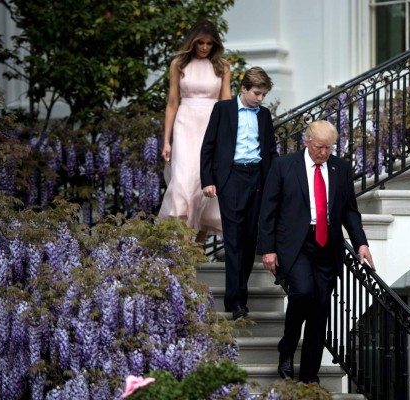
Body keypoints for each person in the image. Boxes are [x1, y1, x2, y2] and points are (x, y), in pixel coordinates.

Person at [256, 120, 375, 384]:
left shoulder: (340, 168)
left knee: (320, 308)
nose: (324, 152)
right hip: (295, 243)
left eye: (329, 148)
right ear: (307, 141)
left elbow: (349, 211)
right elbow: (269, 210)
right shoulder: (284, 165)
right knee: (302, 292)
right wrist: (268, 249)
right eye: (320, 147)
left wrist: (361, 244)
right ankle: (287, 348)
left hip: (327, 244)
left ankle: (309, 374)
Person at [200, 66, 278, 320]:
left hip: (257, 177)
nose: (260, 98)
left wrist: (276, 180)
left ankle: (237, 297)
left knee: (248, 240)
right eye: (257, 93)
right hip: (231, 177)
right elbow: (208, 146)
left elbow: (270, 150)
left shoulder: (264, 115)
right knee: (233, 240)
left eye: (264, 94)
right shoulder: (223, 109)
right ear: (243, 88)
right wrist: (208, 180)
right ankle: (236, 302)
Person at [158, 19, 231, 243]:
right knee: (182, 182)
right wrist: (166, 141)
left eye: (209, 43)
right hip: (185, 124)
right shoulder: (178, 64)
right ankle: (182, 251)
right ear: (192, 41)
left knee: (205, 184)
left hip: (212, 126)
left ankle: (197, 250)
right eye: (200, 42)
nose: (204, 48)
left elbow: (226, 103)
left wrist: (227, 139)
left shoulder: (223, 66)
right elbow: (172, 103)